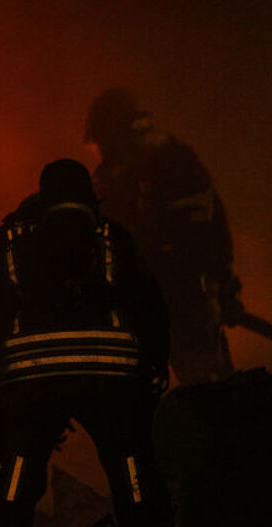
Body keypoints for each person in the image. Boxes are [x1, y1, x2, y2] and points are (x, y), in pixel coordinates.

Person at [0, 159, 175, 527]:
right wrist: (153, 365)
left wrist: (1, 371)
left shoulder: (6, 242)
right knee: (132, 471)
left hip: (31, 383)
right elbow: (150, 306)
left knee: (16, 477)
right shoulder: (114, 238)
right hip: (113, 382)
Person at [85, 88, 240, 384]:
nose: (101, 154)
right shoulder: (137, 172)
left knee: (208, 393)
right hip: (153, 308)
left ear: (113, 133)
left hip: (183, 306)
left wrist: (220, 284)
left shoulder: (167, 170)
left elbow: (201, 234)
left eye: (102, 143)